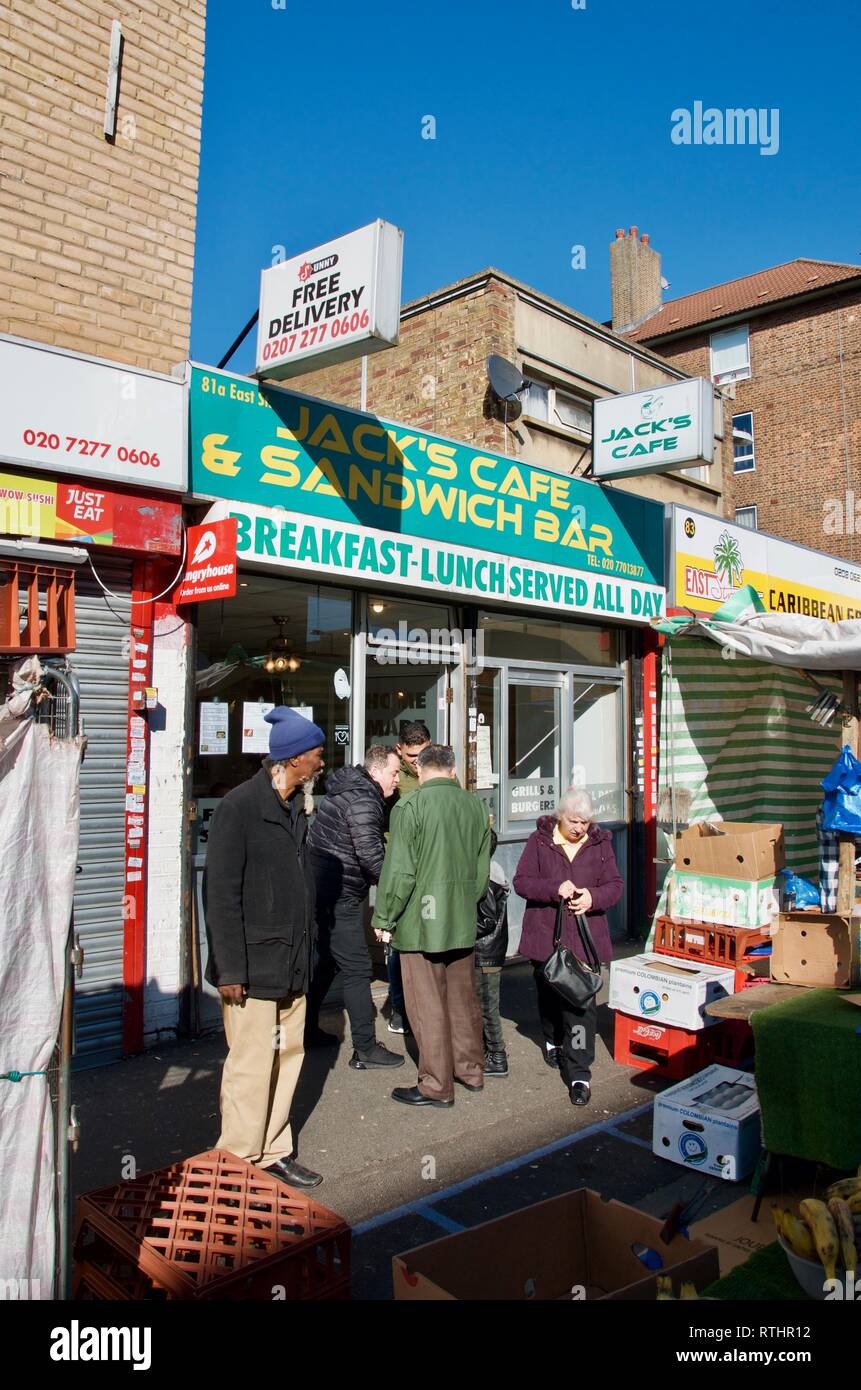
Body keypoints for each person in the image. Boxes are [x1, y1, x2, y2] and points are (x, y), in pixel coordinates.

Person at [202, 706, 326, 1187]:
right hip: (252, 967)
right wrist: (229, 968)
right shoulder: (239, 808)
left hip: (291, 961)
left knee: (288, 1056)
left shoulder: (297, 805)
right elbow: (220, 895)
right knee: (250, 1065)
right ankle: (236, 1161)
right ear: (293, 759)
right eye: (316, 755)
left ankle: (274, 1150)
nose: (321, 763)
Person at [372, 744, 491, 1107]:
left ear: (420, 772)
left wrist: (384, 916)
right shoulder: (475, 806)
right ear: (453, 770)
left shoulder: (410, 806)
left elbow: (401, 870)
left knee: (426, 1004)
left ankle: (436, 1085)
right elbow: (481, 871)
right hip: (460, 918)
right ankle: (470, 1070)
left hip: (420, 924)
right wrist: (464, 903)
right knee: (462, 999)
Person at [513, 789, 623, 1108]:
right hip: (546, 936)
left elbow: (615, 886)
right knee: (549, 996)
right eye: (574, 821)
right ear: (560, 816)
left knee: (580, 1006)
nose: (579, 828)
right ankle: (551, 1038)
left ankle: (579, 1074)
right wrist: (553, 889)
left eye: (585, 822)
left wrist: (593, 898)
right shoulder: (540, 840)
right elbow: (522, 882)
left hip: (586, 940)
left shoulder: (601, 843)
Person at [305, 745, 405, 1070]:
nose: (398, 779)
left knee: (326, 963)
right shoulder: (364, 799)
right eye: (394, 772)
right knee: (358, 967)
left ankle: (303, 1031)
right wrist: (397, 890)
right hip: (339, 895)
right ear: (375, 771)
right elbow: (370, 854)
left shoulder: (351, 788)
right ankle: (365, 1048)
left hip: (323, 890)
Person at [382, 720, 431, 1034]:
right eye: (412, 755)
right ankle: (398, 1007)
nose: (417, 761)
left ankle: (421, 1006)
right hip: (400, 865)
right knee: (398, 942)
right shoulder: (394, 776)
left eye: (422, 753)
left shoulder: (437, 769)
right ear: (400, 749)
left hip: (429, 865)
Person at [475, 830, 510, 1078]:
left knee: (487, 1006)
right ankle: (489, 1053)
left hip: (485, 951)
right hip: (489, 950)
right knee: (484, 1005)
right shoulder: (492, 869)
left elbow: (485, 920)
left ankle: (497, 1056)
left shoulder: (487, 875)